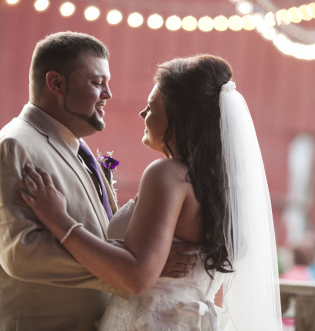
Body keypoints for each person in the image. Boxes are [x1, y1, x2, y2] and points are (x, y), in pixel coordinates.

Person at [20, 54, 283, 330]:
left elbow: (137, 276)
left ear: (180, 116)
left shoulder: (167, 174)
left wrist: (59, 219)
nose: (142, 114)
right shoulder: (221, 188)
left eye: (151, 106)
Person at [0, 31, 196, 331]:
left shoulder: (76, 146)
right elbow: (21, 253)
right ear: (56, 83)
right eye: (97, 83)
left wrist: (140, 262)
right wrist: (131, 269)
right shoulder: (15, 145)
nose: (108, 95)